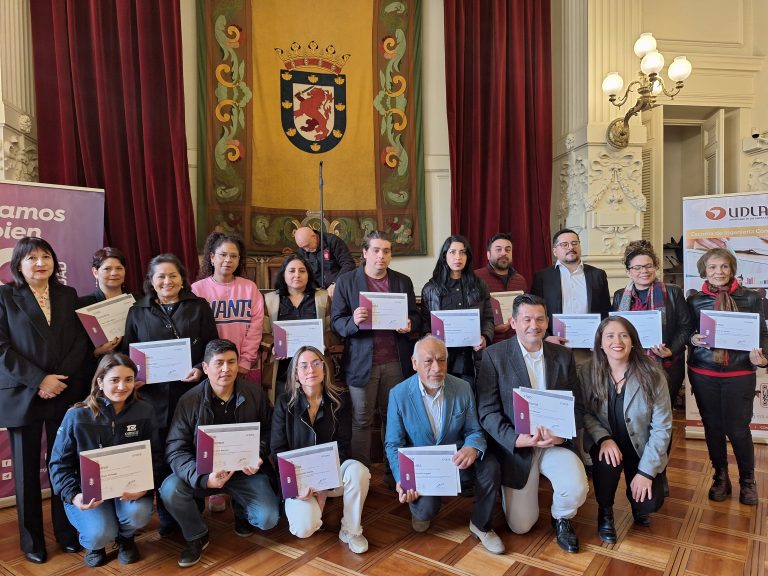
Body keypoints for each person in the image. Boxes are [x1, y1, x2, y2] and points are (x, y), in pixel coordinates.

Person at [476, 294, 588, 554]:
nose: (533, 326)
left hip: (554, 443)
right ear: (513, 322)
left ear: (547, 321)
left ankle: (561, 517)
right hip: (518, 446)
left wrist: (561, 436)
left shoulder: (563, 356)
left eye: (539, 319)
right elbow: (487, 411)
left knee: (577, 488)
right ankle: (515, 494)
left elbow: (578, 406)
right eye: (526, 319)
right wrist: (515, 439)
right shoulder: (494, 356)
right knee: (521, 526)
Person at [0, 237, 89, 563]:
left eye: (46, 256)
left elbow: (81, 341)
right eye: (32, 258)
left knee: (62, 467)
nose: (41, 263)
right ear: (19, 265)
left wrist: (58, 381)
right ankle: (32, 542)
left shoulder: (68, 295)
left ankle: (67, 533)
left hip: (63, 391)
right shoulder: (5, 296)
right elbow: (1, 349)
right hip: (23, 393)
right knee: (24, 474)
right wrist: (40, 380)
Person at [159, 339, 280, 567]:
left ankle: (242, 511)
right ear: (205, 368)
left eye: (232, 362)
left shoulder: (254, 393)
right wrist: (203, 477)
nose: (226, 369)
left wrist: (260, 454)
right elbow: (175, 449)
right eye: (219, 363)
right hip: (203, 473)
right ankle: (196, 535)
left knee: (268, 519)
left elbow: (270, 430)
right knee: (170, 489)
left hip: (245, 472)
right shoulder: (189, 401)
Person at [122, 253, 219, 533]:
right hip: (151, 398)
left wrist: (200, 370)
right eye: (161, 276)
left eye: (173, 275)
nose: (167, 281)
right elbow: (128, 351)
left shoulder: (198, 306)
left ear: (182, 279)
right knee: (160, 453)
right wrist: (134, 377)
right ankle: (166, 516)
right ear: (151, 281)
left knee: (191, 449)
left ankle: (193, 513)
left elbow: (210, 346)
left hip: (190, 393)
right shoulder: (136, 311)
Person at [385, 336, 504, 555]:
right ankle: (424, 506)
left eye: (442, 360)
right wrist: (403, 477)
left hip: (456, 460)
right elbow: (393, 444)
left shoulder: (462, 387)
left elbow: (474, 430)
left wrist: (472, 448)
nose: (437, 368)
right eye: (428, 361)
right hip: (424, 469)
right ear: (414, 363)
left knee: (491, 466)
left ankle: (481, 525)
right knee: (423, 515)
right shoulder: (398, 394)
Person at [49, 353, 160, 567]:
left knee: (138, 514)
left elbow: (156, 456)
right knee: (99, 533)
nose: (122, 386)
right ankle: (96, 545)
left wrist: (145, 488)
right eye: (114, 380)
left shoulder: (145, 411)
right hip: (88, 492)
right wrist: (74, 496)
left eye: (128, 379)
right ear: (100, 381)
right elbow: (58, 464)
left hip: (129, 489)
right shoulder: (77, 415)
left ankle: (126, 538)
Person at [331, 230, 420, 473]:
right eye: (376, 250)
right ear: (365, 253)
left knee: (394, 420)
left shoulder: (402, 281)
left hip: (395, 360)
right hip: (362, 364)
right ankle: (362, 475)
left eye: (387, 251)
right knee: (361, 420)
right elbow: (336, 322)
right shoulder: (347, 281)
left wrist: (410, 324)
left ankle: (395, 474)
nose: (381, 256)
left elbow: (415, 315)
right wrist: (354, 321)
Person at [687, 248, 768, 505]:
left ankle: (747, 480)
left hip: (740, 372)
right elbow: (687, 330)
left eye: (723, 267)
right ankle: (720, 477)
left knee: (738, 429)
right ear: (704, 271)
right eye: (712, 267)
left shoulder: (752, 298)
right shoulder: (694, 300)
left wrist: (763, 357)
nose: (718, 272)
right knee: (712, 427)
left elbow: (762, 333)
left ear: (732, 269)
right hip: (703, 372)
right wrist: (692, 338)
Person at [581, 317, 672, 543]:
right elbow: (584, 412)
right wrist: (603, 438)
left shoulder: (652, 374)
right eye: (609, 336)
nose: (617, 341)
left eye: (623, 335)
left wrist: (646, 472)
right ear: (600, 343)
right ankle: (605, 513)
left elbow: (662, 427)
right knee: (606, 462)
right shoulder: (588, 371)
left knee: (648, 503)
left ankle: (641, 492)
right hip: (607, 443)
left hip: (640, 445)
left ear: (633, 341)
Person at [271, 346, 370, 553]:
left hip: (332, 474)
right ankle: (307, 511)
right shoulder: (283, 403)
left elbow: (343, 444)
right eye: (304, 365)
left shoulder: (340, 400)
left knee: (358, 471)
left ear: (324, 369)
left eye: (316, 364)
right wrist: (297, 486)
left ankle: (351, 530)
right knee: (304, 528)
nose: (311, 370)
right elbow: (278, 449)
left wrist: (325, 483)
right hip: (299, 481)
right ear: (296, 374)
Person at [612, 240, 692, 406]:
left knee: (662, 416)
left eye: (649, 266)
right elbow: (615, 328)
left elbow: (686, 327)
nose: (644, 271)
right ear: (629, 272)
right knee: (633, 412)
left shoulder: (672, 292)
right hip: (629, 365)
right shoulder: (620, 296)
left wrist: (670, 350)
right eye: (637, 267)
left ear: (656, 267)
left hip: (667, 366)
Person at [420, 235, 494, 387]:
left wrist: (485, 337)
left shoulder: (479, 285)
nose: (458, 257)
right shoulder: (430, 289)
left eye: (462, 252)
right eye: (453, 252)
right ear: (444, 255)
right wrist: (428, 335)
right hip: (441, 356)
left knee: (469, 400)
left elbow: (488, 319)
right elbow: (425, 322)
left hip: (471, 357)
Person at [192, 232, 264, 380]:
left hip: (242, 365)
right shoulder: (197, 290)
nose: (228, 260)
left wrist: (245, 360)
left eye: (233, 256)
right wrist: (203, 364)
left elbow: (255, 327)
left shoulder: (249, 288)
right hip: (209, 366)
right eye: (223, 255)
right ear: (212, 257)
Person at [262, 254, 333, 399]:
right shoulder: (270, 300)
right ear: (283, 274)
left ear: (308, 274)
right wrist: (273, 346)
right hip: (282, 370)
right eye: (291, 270)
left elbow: (333, 330)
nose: (297, 275)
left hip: (315, 370)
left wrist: (323, 343)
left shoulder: (323, 298)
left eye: (302, 271)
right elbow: (262, 333)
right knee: (284, 413)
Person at [531, 228, 611, 348]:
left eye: (575, 243)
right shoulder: (543, 277)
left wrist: (603, 336)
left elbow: (605, 310)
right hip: (555, 345)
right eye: (564, 244)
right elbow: (535, 311)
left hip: (591, 347)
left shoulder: (597, 275)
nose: (570, 247)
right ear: (555, 251)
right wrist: (546, 336)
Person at [474, 233, 528, 344]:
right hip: (488, 345)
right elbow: (469, 315)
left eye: (508, 250)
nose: (504, 253)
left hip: (517, 344)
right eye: (498, 250)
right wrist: (490, 328)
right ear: (488, 255)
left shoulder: (520, 280)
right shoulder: (475, 278)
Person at [294, 226, 355, 298]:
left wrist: (335, 283)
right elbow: (304, 270)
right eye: (303, 247)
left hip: (338, 288)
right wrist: (312, 287)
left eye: (307, 246)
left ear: (313, 236)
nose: (306, 250)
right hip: (316, 291)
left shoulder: (332, 241)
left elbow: (348, 264)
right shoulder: (303, 250)